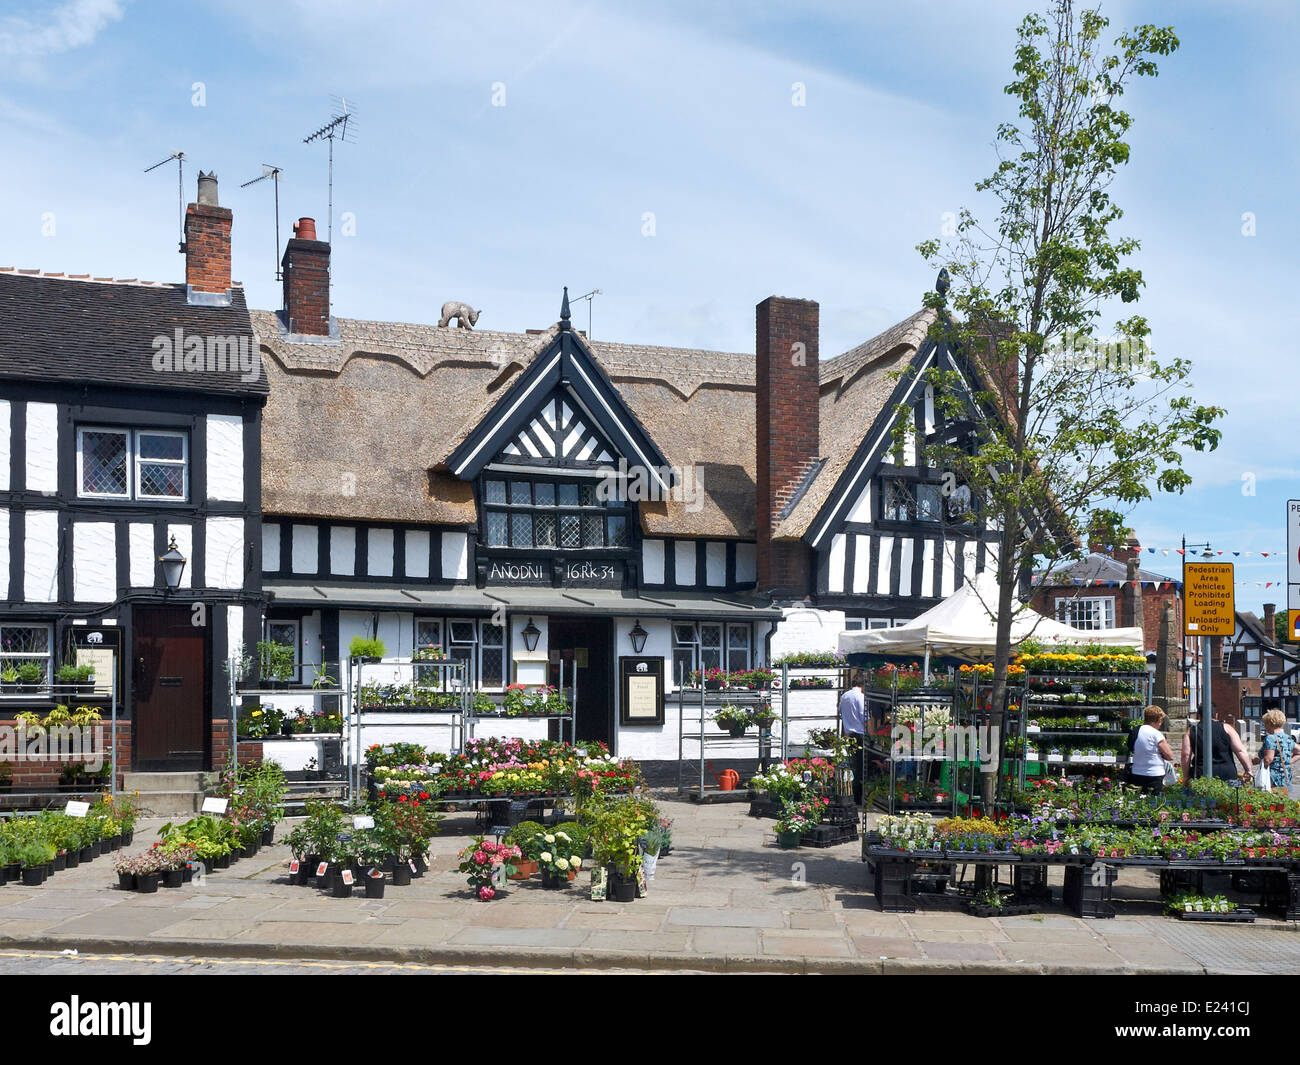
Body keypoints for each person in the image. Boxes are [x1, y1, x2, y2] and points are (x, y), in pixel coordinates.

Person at [1181, 714, 1253, 783]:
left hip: (1201, 773)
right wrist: (1248, 770)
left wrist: (1186, 777)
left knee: (1201, 795)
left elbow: (1186, 755)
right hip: (1227, 772)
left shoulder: (1192, 731)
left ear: (1199, 716)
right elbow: (1240, 750)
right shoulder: (1227, 728)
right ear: (1216, 715)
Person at [1128, 705, 1175, 793]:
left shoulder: (1135, 731)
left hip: (1137, 772)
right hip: (1154, 774)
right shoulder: (1156, 734)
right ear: (1159, 720)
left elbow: (1131, 747)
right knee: (1153, 803)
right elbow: (1170, 756)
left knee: (1138, 800)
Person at [837, 671, 866, 803]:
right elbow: (865, 717)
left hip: (847, 734)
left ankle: (847, 794)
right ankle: (857, 797)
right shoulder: (860, 697)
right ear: (863, 685)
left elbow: (840, 713)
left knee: (848, 765)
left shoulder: (844, 696)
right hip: (859, 734)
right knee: (859, 767)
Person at [1254, 709, 1298, 791]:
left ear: (1269, 723)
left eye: (1265, 723)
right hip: (1285, 776)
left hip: (1272, 778)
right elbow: (1299, 751)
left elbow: (1268, 759)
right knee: (1282, 801)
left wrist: (1257, 761)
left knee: (1270, 802)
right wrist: (1288, 761)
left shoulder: (1270, 738)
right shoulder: (1287, 738)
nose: (1264, 726)